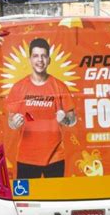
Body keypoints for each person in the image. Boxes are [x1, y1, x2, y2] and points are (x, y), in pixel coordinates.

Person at [6, 38, 76, 178]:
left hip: (55, 158)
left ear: (49, 60)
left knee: (56, 198)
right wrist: (14, 123)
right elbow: (10, 120)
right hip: (26, 158)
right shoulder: (18, 88)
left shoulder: (59, 86)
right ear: (30, 59)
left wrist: (65, 120)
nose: (40, 60)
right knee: (25, 199)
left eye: (44, 56)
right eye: (36, 56)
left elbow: (73, 119)